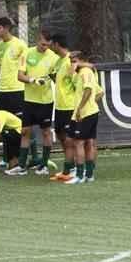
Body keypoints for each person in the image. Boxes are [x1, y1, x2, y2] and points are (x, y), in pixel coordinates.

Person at [16, 29, 59, 176]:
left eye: (47, 45)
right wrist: (33, 80)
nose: (45, 47)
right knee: (25, 132)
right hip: (29, 100)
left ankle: (44, 165)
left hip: (46, 101)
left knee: (46, 132)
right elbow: (20, 76)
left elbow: (55, 77)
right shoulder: (27, 53)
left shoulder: (53, 57)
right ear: (37, 40)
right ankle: (21, 166)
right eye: (42, 44)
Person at [0, 17, 28, 164]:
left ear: (7, 28)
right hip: (2, 91)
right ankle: (8, 159)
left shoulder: (20, 45)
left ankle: (19, 159)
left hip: (17, 90)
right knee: (4, 125)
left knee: (19, 126)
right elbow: (2, 66)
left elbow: (24, 68)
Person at [67, 55, 103, 185]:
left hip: (85, 114)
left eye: (74, 61)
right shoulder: (80, 74)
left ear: (82, 61)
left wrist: (81, 108)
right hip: (89, 112)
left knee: (79, 143)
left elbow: (88, 90)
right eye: (71, 61)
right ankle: (89, 175)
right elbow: (100, 91)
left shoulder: (85, 72)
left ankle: (79, 175)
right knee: (88, 143)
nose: (72, 64)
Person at [49, 34, 80, 182]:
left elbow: (76, 83)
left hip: (69, 106)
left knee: (69, 140)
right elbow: (58, 80)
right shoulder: (58, 61)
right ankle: (70, 166)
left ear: (56, 44)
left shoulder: (70, 61)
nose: (49, 47)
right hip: (60, 106)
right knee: (61, 136)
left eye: (51, 44)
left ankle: (71, 170)